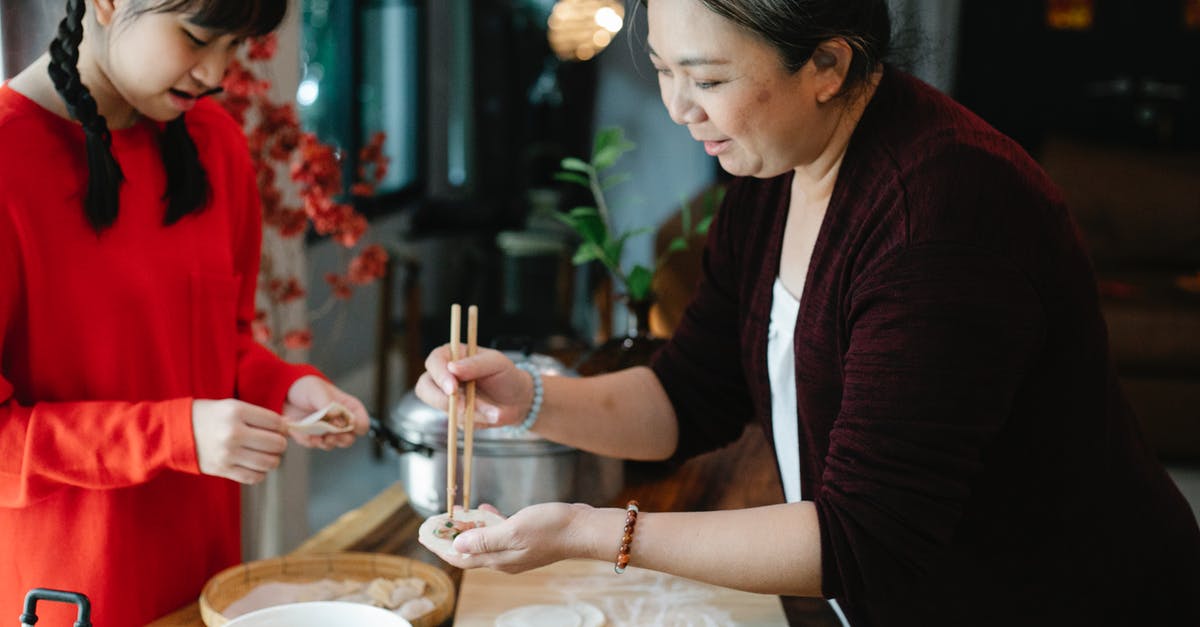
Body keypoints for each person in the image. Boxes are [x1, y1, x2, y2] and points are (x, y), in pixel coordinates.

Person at [416, 0, 1200, 625]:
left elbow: (862, 538)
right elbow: (688, 396)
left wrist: (588, 532)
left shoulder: (944, 211)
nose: (680, 106)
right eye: (662, 68)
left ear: (828, 62)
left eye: (709, 77)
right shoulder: (771, 171)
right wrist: (526, 398)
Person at [0, 1, 370, 624]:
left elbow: (219, 344)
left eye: (235, 48)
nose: (217, 74)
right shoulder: (8, 159)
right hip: (68, 595)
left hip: (209, 582)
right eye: (198, 38)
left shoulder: (214, 144)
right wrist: (174, 435)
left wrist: (287, 387)